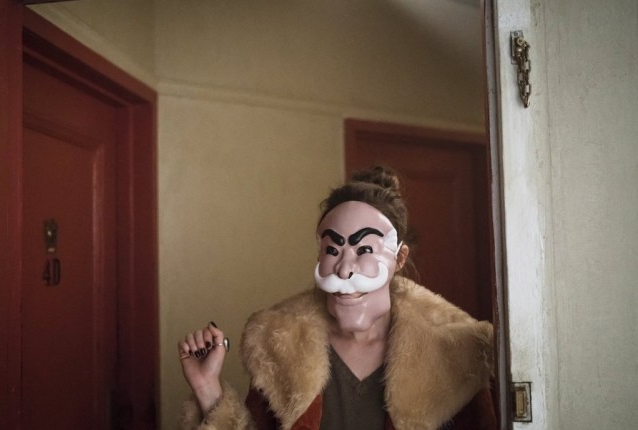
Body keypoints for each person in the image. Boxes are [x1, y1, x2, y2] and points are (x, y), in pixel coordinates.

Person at [177, 166, 496, 430]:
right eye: (332, 250)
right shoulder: (278, 346)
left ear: (399, 258)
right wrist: (207, 389)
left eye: (364, 250)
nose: (344, 268)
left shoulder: (457, 354)